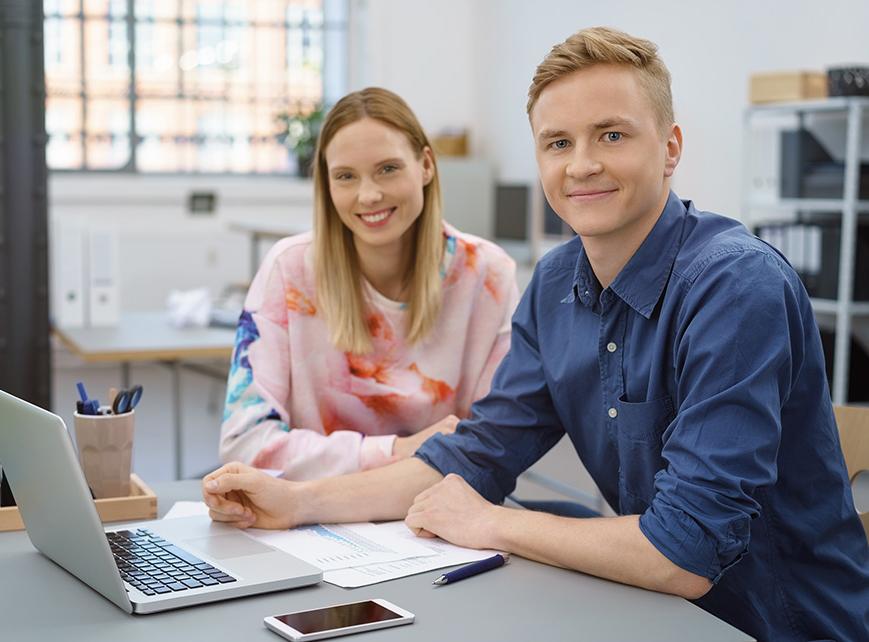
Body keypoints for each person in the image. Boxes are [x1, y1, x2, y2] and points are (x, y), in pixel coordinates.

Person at [203, 27, 869, 640]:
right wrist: (296, 503)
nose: (580, 165)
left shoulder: (735, 287)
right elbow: (477, 455)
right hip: (651, 609)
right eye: (558, 143)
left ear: (670, 149)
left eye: (611, 135)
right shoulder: (555, 287)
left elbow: (684, 552)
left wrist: (491, 523)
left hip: (773, 624)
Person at [220, 87, 519, 480]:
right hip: (311, 520)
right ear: (326, 184)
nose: (369, 195)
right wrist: (394, 450)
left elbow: (491, 449)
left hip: (437, 520)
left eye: (388, 169)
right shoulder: (289, 269)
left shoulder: (488, 274)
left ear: (426, 165)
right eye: (345, 176)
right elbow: (244, 444)